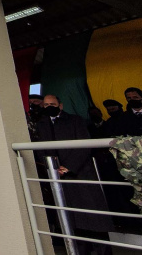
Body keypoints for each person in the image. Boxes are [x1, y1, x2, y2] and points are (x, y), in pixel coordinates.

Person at [36, 95, 112, 255]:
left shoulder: (75, 120)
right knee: (71, 219)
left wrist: (69, 167)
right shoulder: (42, 124)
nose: (49, 107)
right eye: (46, 105)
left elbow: (84, 145)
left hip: (81, 173)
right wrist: (51, 167)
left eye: (52, 104)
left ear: (60, 105)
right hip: (57, 176)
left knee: (93, 216)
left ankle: (102, 251)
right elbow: (40, 148)